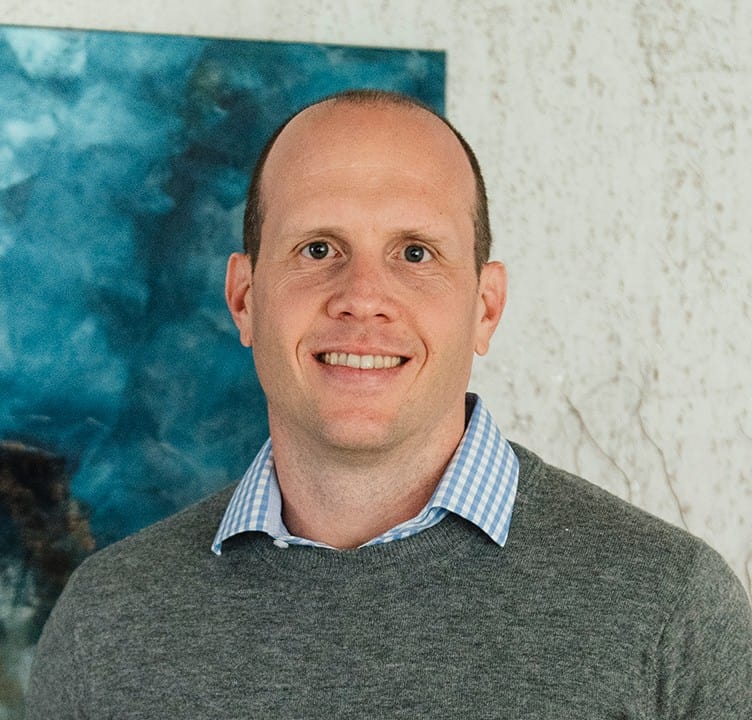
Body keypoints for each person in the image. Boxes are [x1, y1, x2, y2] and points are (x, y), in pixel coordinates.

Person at [27, 89, 751, 719]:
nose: (362, 298)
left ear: (486, 309)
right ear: (245, 299)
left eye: (414, 253)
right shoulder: (108, 620)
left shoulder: (670, 607)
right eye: (317, 249)